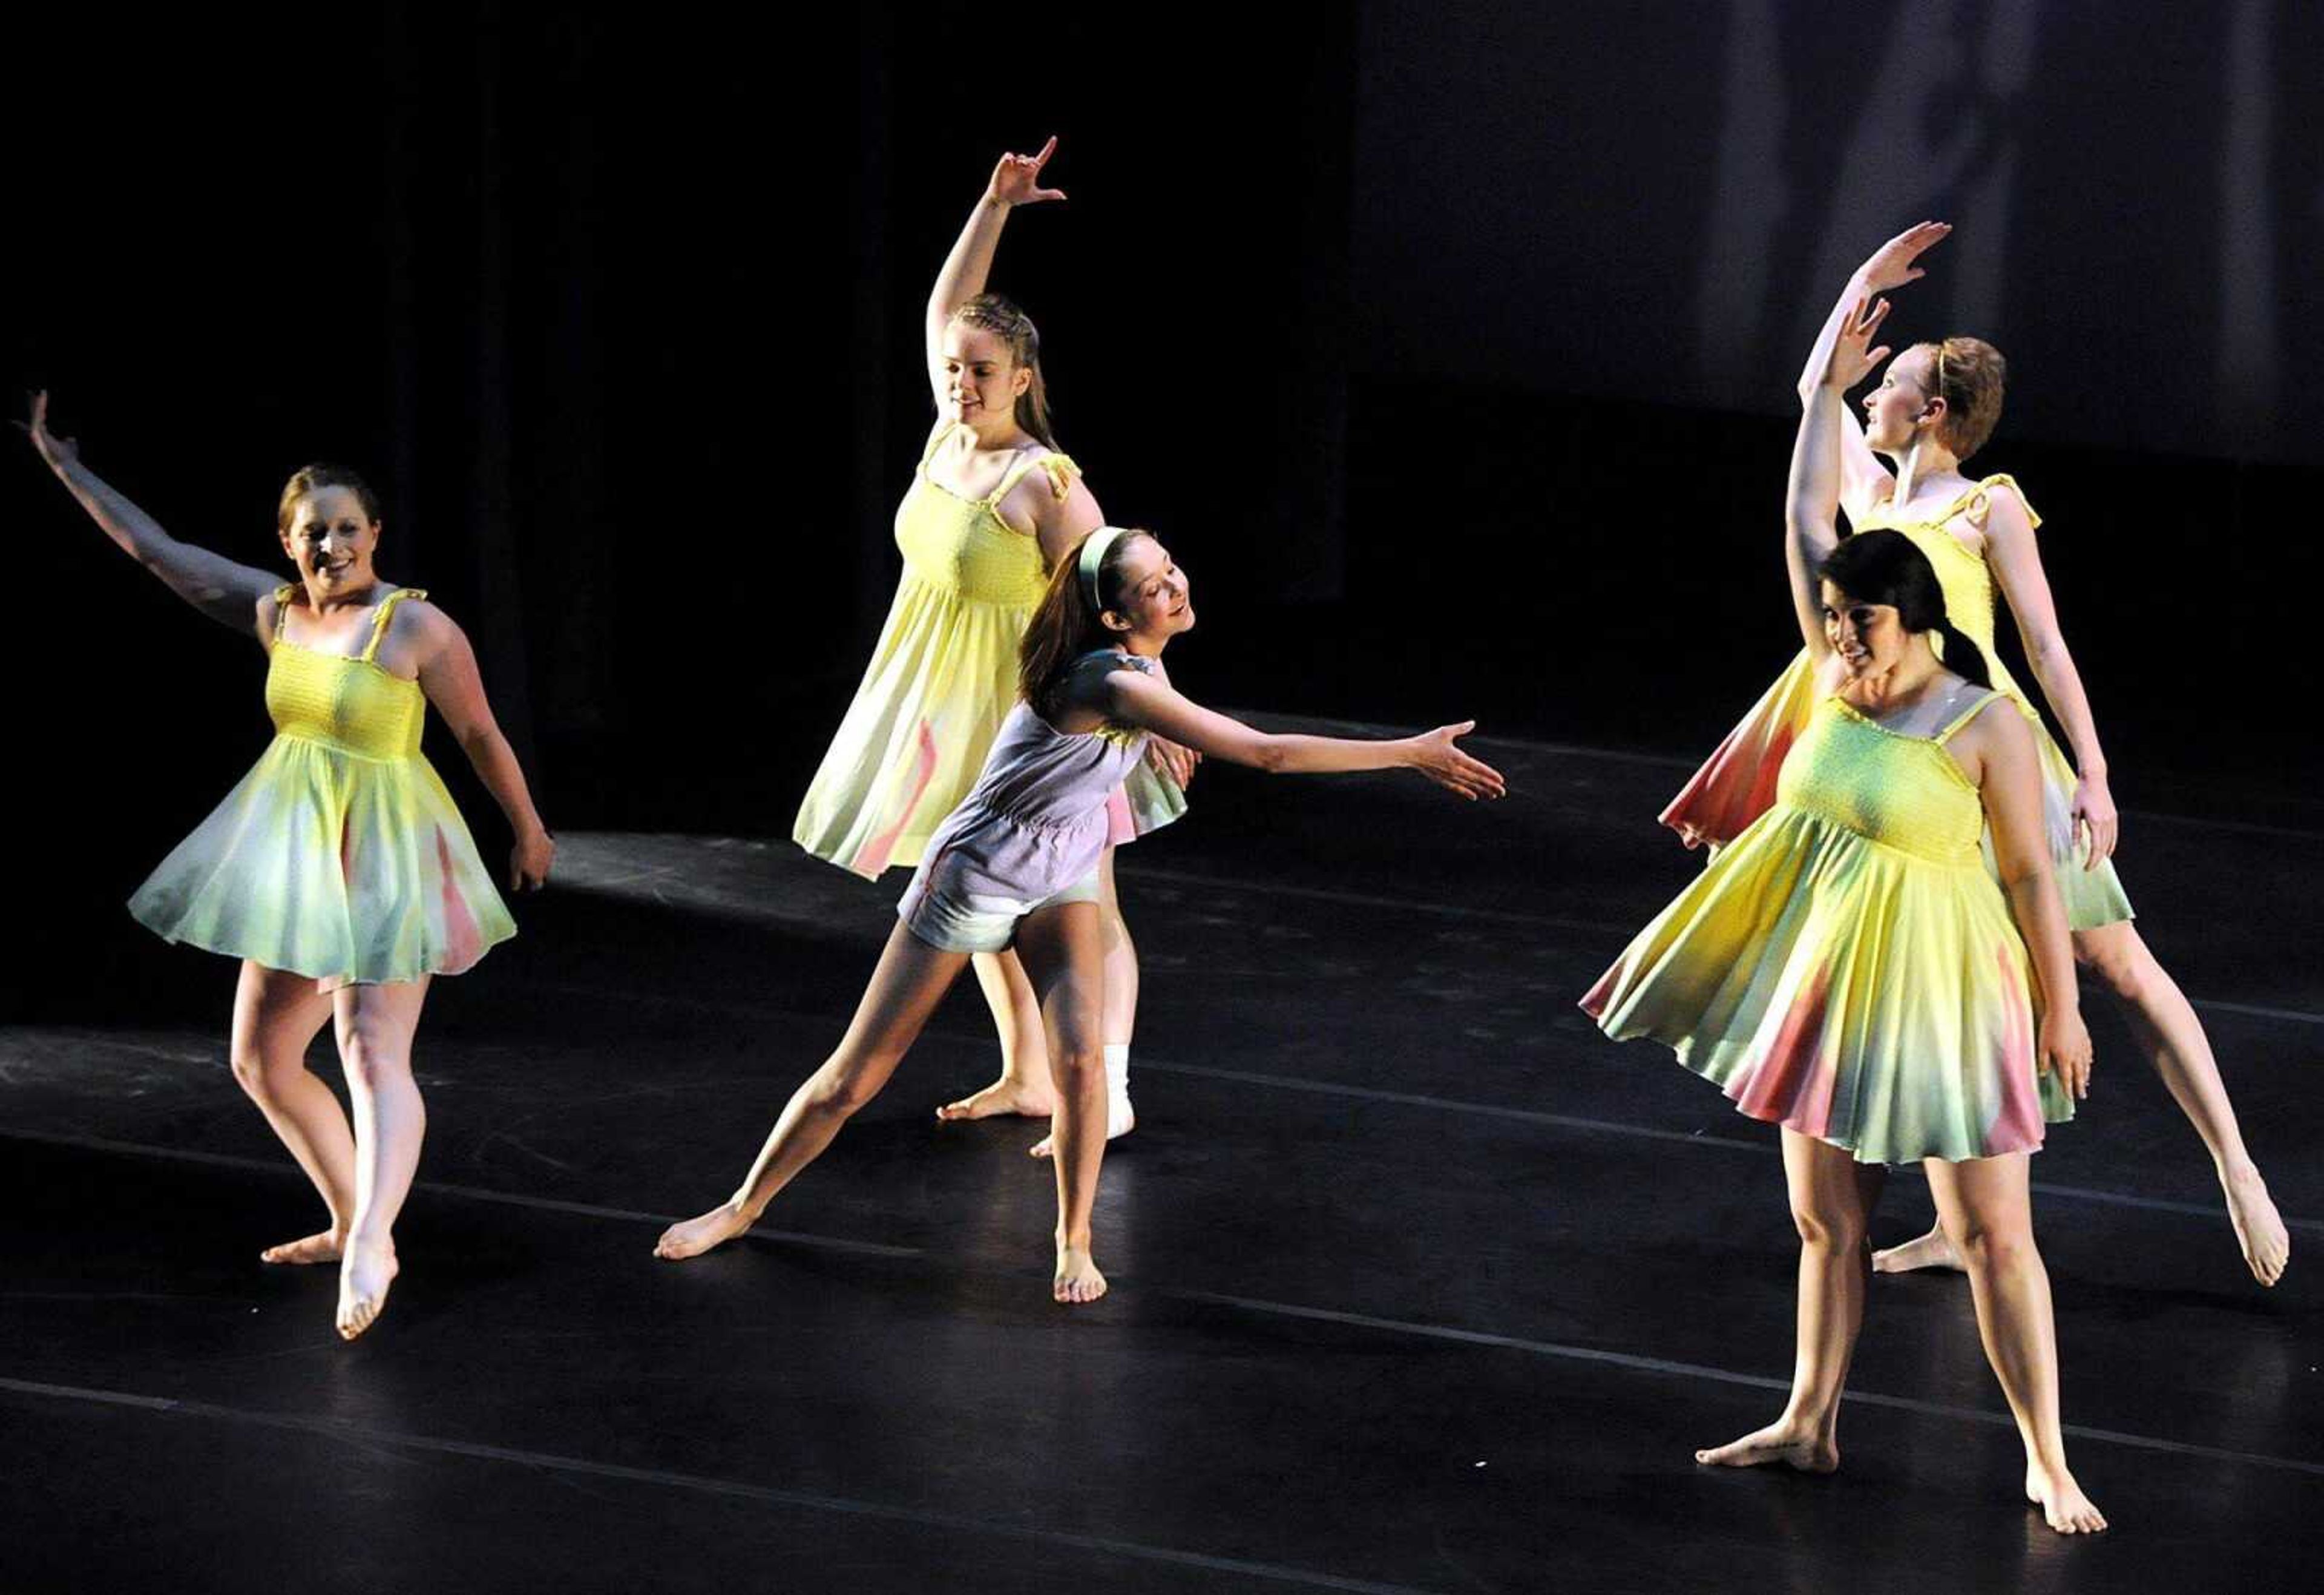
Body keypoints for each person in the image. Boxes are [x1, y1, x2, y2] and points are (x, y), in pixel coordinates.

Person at [1662, 223, 2286, 1286]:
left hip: (1989, 747)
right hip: (1888, 758)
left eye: (1892, 382)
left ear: (1935, 413)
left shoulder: (1983, 506)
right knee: (1952, 973)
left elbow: (2043, 644)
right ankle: (1958, 1221)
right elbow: (1817, 394)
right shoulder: (1868, 493)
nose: (1872, 392)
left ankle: (2235, 1164)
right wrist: (1859, 282)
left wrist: (2091, 770)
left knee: (2111, 963)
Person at [660, 526, 1503, 1302]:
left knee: (1081, 1061)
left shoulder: (1137, 668)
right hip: (979, 873)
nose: (1175, 586)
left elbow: (1162, 709)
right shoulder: (1106, 677)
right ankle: (741, 1206)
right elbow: (1266, 754)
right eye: (1153, 585)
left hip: (1062, 869)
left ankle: (1073, 1241)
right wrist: (1410, 752)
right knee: (855, 1078)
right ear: (1112, 614)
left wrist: (1166, 727)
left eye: (1172, 570)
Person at [1588, 298, 2106, 1533]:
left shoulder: (1983, 728)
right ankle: (1811, 1419)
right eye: (1831, 622)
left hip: (1945, 982)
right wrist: (1829, 372)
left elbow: (2035, 879)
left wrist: (2062, 1004)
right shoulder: (1834, 675)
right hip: (1829, 976)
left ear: (1919, 623)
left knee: (1991, 1240)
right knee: (1823, 1221)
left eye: (1860, 626)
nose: (1838, 645)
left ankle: (2047, 1454)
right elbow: (1797, 513)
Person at [23, 393, 555, 1340]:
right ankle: (352, 1214)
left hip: (390, 851)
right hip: (302, 856)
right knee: (262, 1059)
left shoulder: (411, 629)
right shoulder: (274, 615)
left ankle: (374, 1242)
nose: (334, 546)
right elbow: (157, 551)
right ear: (287, 540)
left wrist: (528, 829)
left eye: (350, 529)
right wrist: (62, 465)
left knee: (366, 1047)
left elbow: (478, 731)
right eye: (316, 532)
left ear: (376, 533)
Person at [790, 137, 1192, 1158]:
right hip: (935, 696)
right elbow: (944, 309)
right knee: (963, 875)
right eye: (955, 369)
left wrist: (1157, 710)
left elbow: (1122, 589)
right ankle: (1025, 1073)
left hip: (1034, 710)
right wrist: (994, 203)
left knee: (1080, 899)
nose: (962, 381)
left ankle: (1112, 1088)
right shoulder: (944, 436)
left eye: (982, 371)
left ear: (1022, 378)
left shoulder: (1044, 481)